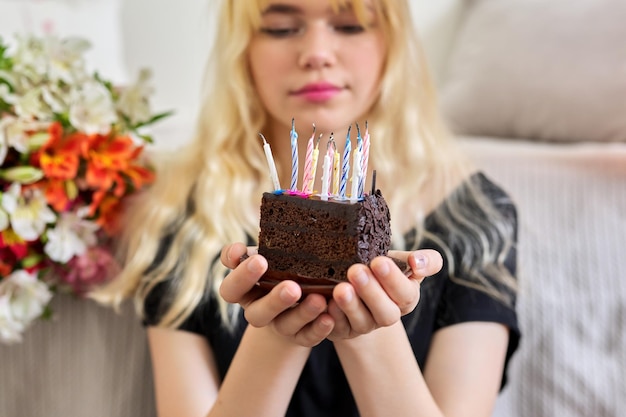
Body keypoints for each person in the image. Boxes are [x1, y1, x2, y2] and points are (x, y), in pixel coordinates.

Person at [94, 1, 520, 416]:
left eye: (350, 25)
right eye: (281, 28)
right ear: (242, 49)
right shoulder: (183, 214)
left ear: (394, 43)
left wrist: (365, 325)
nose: (316, 53)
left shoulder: (474, 216)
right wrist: (279, 322)